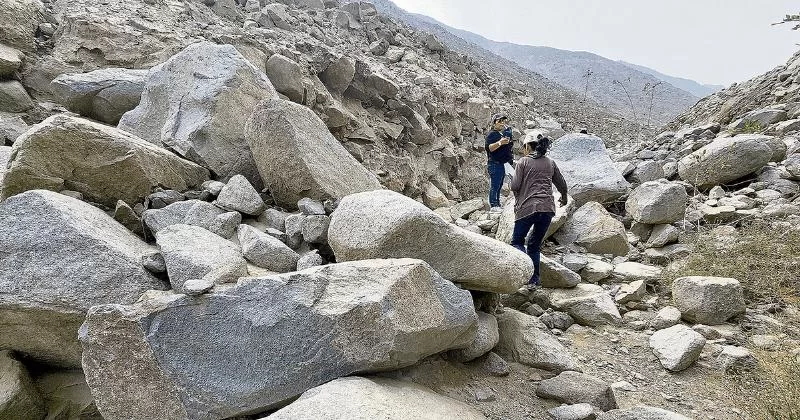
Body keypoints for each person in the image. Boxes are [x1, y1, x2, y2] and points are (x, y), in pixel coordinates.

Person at [510, 135, 569, 286]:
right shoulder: (550, 162)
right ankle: (534, 280)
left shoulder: (523, 162)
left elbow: (515, 186)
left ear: (528, 147)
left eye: (523, 147)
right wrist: (564, 197)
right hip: (547, 208)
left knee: (517, 241)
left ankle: (525, 272)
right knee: (534, 245)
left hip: (527, 208)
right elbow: (561, 183)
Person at [485, 114, 513, 212]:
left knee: (499, 185)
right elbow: (490, 148)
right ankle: (493, 205)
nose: (502, 123)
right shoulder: (492, 134)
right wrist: (500, 142)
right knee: (495, 185)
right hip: (494, 164)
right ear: (494, 123)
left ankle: (497, 204)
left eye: (503, 121)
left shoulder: (499, 134)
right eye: (499, 121)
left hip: (500, 164)